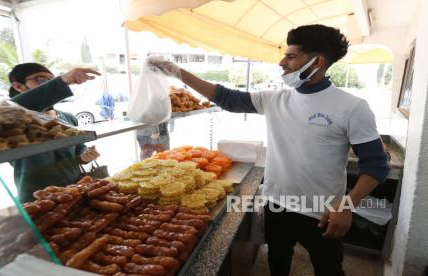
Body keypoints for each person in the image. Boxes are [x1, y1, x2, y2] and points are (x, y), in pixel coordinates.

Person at [148, 24, 390, 276]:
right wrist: (177, 72)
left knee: (328, 269)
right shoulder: (275, 99)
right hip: (277, 205)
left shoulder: (352, 107)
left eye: (291, 56)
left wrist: (347, 205)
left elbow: (376, 165)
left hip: (323, 211)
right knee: (277, 262)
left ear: (317, 61)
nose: (282, 62)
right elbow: (228, 98)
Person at [8, 63, 101, 203]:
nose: (49, 84)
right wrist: (63, 80)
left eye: (52, 80)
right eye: (41, 80)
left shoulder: (68, 118)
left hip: (73, 191)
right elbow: (8, 109)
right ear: (18, 86)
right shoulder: (15, 119)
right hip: (36, 198)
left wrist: (85, 155)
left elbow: (79, 149)